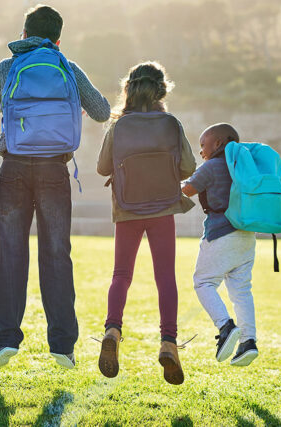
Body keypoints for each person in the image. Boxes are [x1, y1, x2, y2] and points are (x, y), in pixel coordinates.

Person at [0, 4, 111, 369]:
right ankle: (62, 346)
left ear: (23, 34)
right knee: (56, 254)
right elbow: (102, 111)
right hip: (55, 170)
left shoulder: (8, 66)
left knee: (10, 253)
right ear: (58, 38)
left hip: (14, 168)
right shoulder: (68, 67)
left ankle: (6, 340)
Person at [96, 61, 196, 384]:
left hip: (127, 209)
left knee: (121, 274)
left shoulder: (119, 126)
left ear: (129, 89)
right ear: (161, 90)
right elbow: (188, 167)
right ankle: (168, 342)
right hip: (163, 209)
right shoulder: (171, 124)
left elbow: (101, 167)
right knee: (165, 277)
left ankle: (113, 329)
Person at [182, 123, 259, 367]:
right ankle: (248, 341)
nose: (201, 151)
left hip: (221, 233)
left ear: (217, 144)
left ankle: (225, 326)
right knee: (241, 291)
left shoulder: (213, 166)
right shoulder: (242, 166)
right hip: (247, 236)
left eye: (203, 145)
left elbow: (188, 190)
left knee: (203, 282)